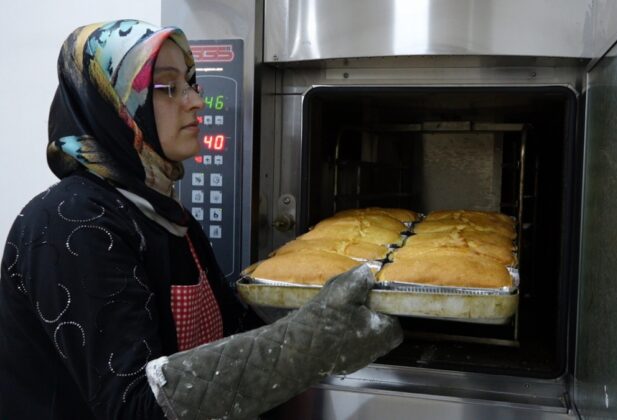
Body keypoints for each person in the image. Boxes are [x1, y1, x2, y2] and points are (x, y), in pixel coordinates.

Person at [0, 19, 402, 419]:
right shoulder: (68, 222)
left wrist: (328, 311)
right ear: (113, 105)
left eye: (191, 83)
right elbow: (135, 406)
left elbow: (235, 330)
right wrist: (311, 342)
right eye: (168, 87)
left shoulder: (165, 217)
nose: (195, 100)